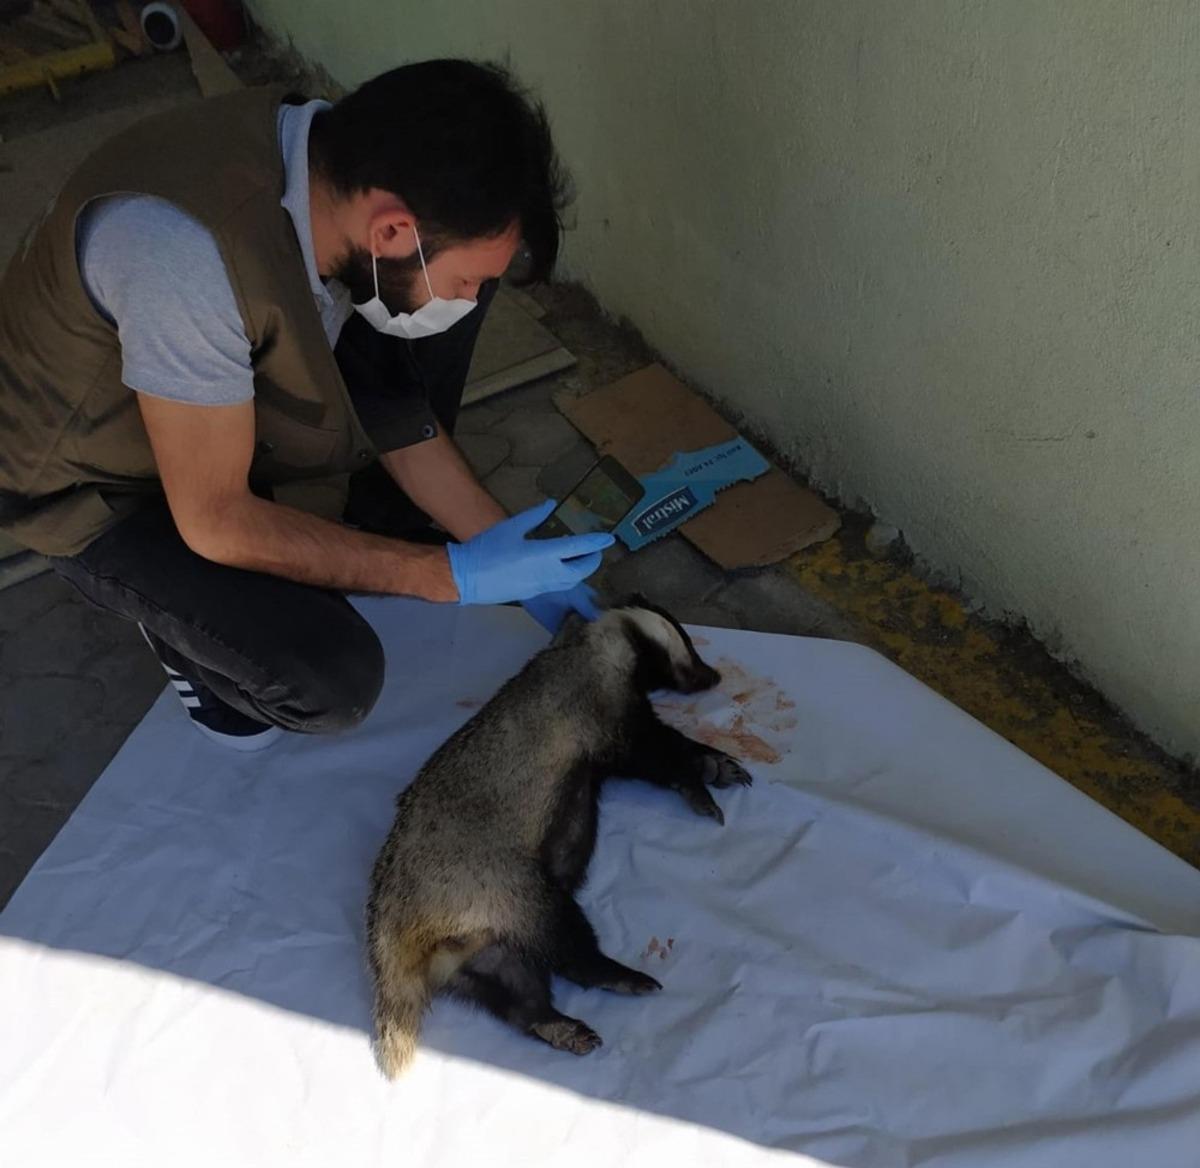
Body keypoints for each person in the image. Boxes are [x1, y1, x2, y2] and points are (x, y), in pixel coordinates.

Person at [0, 59, 611, 750]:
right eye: (467, 280)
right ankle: (178, 629)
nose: (469, 300)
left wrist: (507, 556)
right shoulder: (182, 255)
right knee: (323, 681)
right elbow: (217, 521)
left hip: (210, 389)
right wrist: (448, 576)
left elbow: (394, 404)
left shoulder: (331, 166)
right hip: (95, 479)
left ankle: (373, 527)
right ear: (388, 231)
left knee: (429, 295)